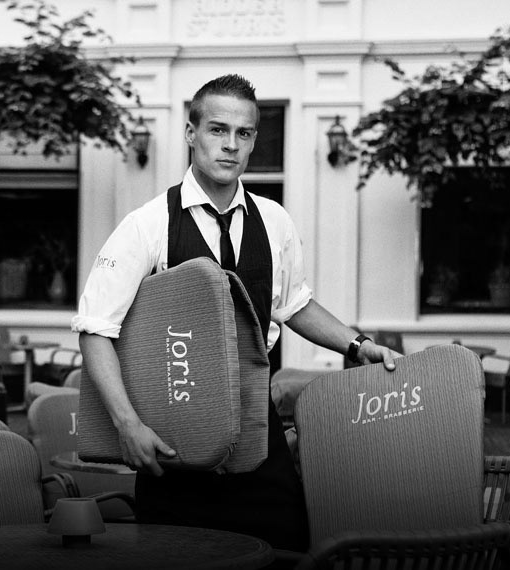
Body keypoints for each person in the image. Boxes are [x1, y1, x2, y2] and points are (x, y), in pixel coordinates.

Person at [72, 74, 402, 551]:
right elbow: (96, 330)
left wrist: (358, 345)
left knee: (286, 548)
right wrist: (128, 425)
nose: (231, 145)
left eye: (243, 133)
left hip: (257, 429)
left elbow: (294, 304)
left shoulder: (274, 220)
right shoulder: (147, 225)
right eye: (217, 130)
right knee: (179, 558)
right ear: (191, 134)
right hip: (176, 432)